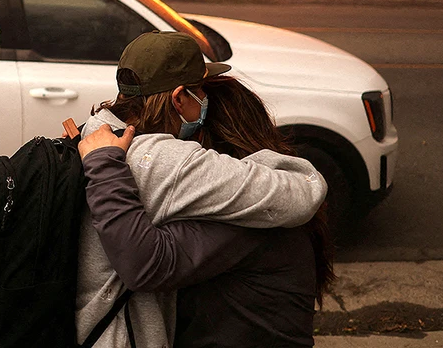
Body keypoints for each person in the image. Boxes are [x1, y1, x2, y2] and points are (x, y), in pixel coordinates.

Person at [73, 31, 327, 348]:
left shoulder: (92, 134)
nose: (203, 100)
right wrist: (261, 166)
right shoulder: (173, 163)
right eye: (200, 91)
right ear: (179, 98)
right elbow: (302, 192)